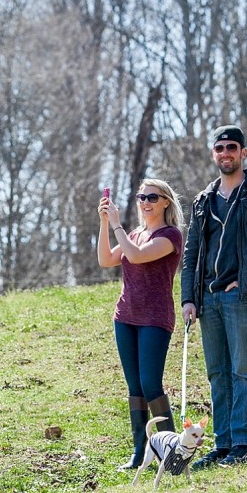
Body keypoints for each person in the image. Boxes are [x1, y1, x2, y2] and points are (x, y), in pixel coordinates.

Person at [181, 125, 247, 469]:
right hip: (208, 300)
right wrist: (188, 298)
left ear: (243, 152)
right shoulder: (203, 201)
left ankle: (245, 443)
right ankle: (224, 444)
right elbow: (192, 252)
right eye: (219, 148)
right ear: (213, 154)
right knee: (218, 372)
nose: (225, 153)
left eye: (231, 147)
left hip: (241, 297)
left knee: (243, 369)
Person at [98, 178, 185, 472]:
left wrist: (116, 226)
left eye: (152, 197)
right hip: (125, 318)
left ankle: (174, 450)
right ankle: (139, 452)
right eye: (141, 197)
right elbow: (106, 259)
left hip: (155, 319)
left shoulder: (170, 236)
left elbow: (135, 256)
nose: (145, 202)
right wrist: (104, 224)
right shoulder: (133, 234)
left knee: (151, 384)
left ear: (166, 202)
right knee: (134, 387)